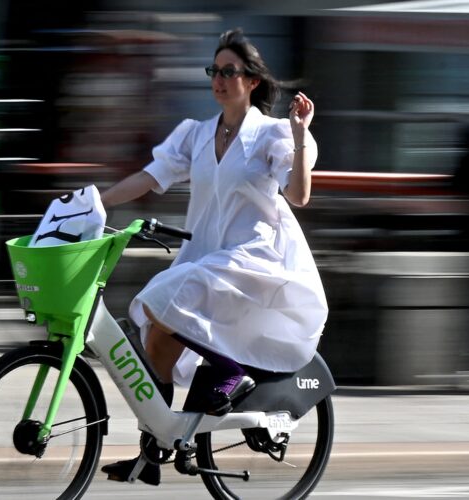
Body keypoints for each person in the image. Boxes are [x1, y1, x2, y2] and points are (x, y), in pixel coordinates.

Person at [98, 28, 328, 485]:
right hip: (205, 257)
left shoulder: (271, 136)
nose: (219, 80)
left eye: (229, 72)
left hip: (252, 259)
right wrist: (97, 204)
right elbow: (150, 177)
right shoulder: (197, 136)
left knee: (157, 298)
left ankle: (233, 372)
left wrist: (301, 135)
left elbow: (299, 194)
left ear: (252, 81)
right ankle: (154, 452)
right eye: (214, 71)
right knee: (156, 342)